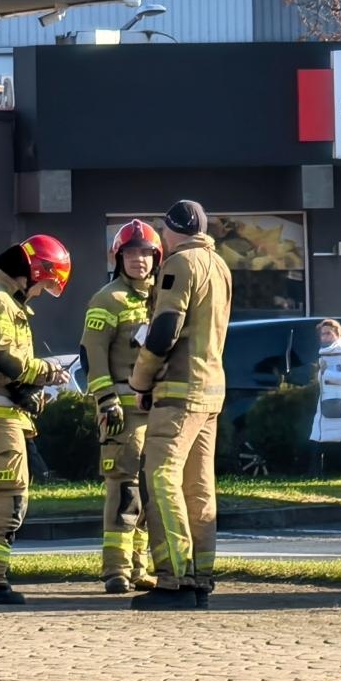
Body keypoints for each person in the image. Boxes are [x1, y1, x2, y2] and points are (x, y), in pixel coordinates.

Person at [129, 200, 232, 611]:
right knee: (198, 486)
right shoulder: (220, 266)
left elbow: (164, 329)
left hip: (178, 389)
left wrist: (140, 380)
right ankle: (201, 576)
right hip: (211, 389)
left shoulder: (180, 264)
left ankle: (174, 578)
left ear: (172, 230)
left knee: (161, 479)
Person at [0, 234, 74, 606]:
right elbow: (0, 356)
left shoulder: (4, 301)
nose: (41, 293)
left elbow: (4, 370)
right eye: (43, 285)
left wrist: (26, 391)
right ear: (32, 272)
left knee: (1, 498)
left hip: (0, 414)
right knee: (8, 499)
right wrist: (45, 371)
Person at [80, 219, 160, 594]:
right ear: (119, 258)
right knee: (124, 490)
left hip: (158, 413)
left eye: (145, 254)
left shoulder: (161, 298)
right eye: (131, 254)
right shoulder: (108, 299)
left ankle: (139, 567)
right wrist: (105, 399)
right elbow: (91, 353)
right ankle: (115, 570)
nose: (139, 261)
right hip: (123, 413)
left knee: (149, 491)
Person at [311, 319, 341, 476]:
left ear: (337, 334)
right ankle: (316, 474)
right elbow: (321, 379)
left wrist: (326, 374)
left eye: (329, 333)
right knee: (318, 438)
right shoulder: (322, 353)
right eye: (323, 334)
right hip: (325, 403)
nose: (325, 337)